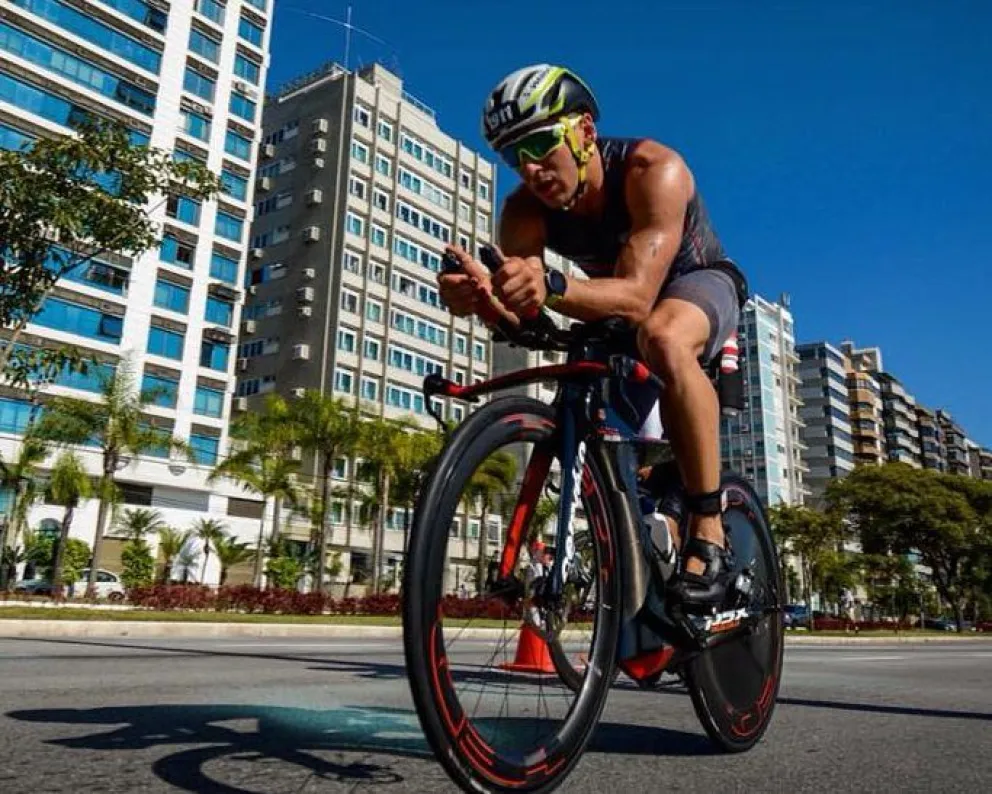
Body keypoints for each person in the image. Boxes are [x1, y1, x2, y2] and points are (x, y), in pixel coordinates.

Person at [438, 64, 748, 609]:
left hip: (694, 283)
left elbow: (637, 298)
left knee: (663, 335)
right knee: (610, 416)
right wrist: (486, 301)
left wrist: (551, 285)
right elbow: (529, 323)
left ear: (584, 131)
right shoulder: (522, 212)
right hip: (613, 305)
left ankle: (709, 526)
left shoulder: (654, 169)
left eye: (541, 144)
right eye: (514, 156)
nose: (530, 168)